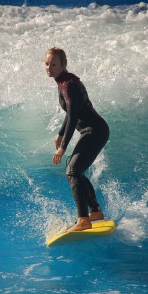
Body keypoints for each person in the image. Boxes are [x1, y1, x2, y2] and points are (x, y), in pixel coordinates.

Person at [45, 47, 109, 232]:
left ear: (63, 65)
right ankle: (95, 212)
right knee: (76, 171)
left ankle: (83, 220)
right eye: (47, 63)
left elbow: (73, 115)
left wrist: (62, 147)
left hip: (94, 131)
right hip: (94, 130)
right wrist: (60, 133)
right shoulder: (66, 81)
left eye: (53, 64)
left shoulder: (68, 84)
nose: (49, 67)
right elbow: (71, 112)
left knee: (72, 171)